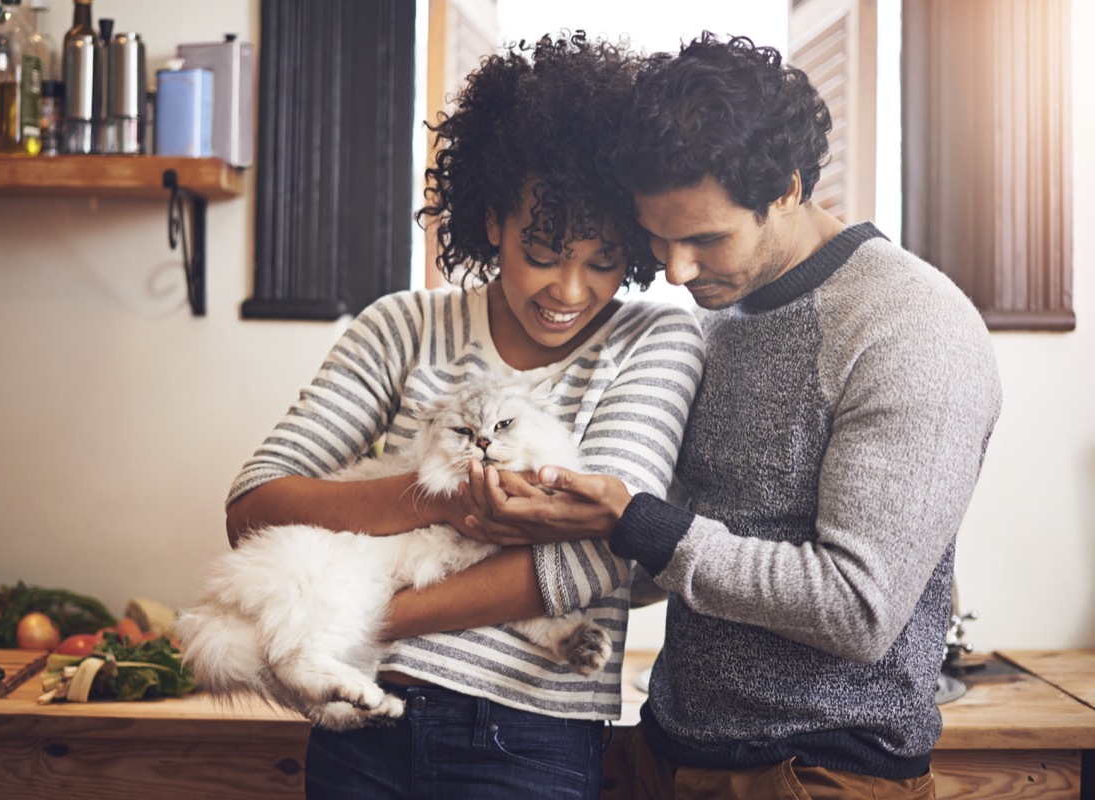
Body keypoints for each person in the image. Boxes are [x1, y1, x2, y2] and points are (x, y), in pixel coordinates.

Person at [461, 32, 1003, 799]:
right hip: (668, 752)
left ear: (785, 188)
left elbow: (858, 608)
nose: (676, 271)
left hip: (819, 775)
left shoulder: (911, 326)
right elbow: (699, 549)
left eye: (704, 239)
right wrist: (563, 525)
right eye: (658, 238)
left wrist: (636, 522)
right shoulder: (716, 318)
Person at [223, 32, 705, 799]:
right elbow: (255, 508)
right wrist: (436, 497)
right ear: (491, 222)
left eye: (603, 261)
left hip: (527, 735)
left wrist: (356, 622)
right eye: (542, 250)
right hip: (363, 724)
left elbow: (604, 550)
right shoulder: (401, 326)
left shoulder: (656, 339)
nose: (570, 291)